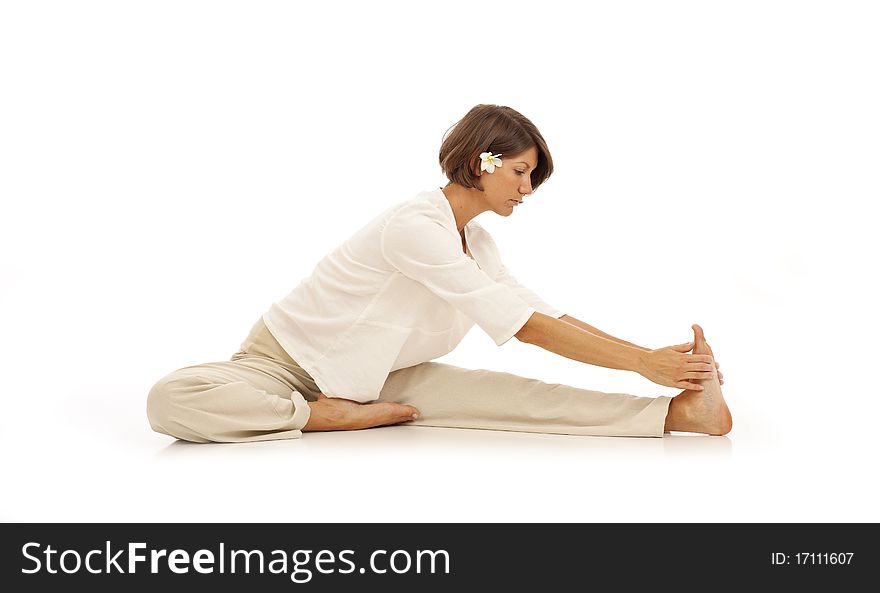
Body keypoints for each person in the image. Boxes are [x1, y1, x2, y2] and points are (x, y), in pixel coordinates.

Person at [146, 104, 732, 443]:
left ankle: (679, 415)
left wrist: (655, 361)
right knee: (171, 398)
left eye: (533, 177)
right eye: (521, 173)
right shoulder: (415, 226)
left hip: (377, 378)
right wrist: (642, 364)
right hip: (284, 366)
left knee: (516, 399)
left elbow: (538, 314)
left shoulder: (475, 241)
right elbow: (523, 328)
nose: (527, 190)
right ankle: (315, 418)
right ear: (482, 162)